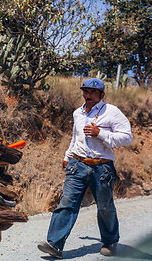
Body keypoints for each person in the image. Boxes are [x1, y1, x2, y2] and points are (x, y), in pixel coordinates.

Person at [37, 78, 133, 259]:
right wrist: (67, 157)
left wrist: (101, 134)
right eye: (85, 92)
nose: (87, 95)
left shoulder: (111, 112)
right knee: (67, 203)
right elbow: (75, 138)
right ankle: (54, 244)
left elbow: (127, 137)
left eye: (92, 92)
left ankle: (110, 241)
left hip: (102, 167)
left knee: (105, 207)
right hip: (77, 164)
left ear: (102, 95)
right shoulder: (77, 113)